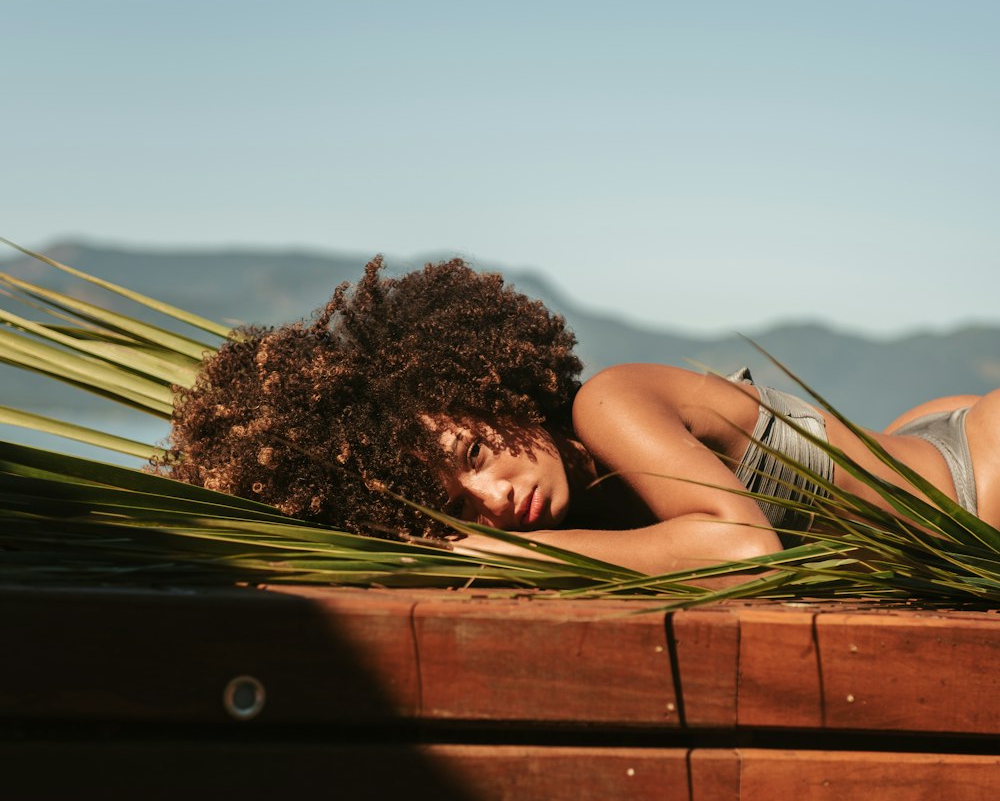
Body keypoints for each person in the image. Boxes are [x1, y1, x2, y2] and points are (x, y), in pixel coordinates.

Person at [164, 256, 1000, 575]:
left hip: (975, 483)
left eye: (475, 452)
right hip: (928, 456)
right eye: (457, 507)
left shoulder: (608, 404)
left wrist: (489, 555)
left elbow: (744, 547)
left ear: (491, 387)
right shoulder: (586, 514)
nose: (493, 497)